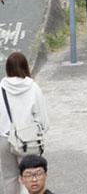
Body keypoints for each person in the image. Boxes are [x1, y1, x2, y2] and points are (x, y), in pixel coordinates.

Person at [0, 53, 47, 194]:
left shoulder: (1, 87)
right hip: (28, 139)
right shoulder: (33, 87)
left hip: (4, 137)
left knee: (9, 177)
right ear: (25, 66)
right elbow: (42, 118)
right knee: (30, 176)